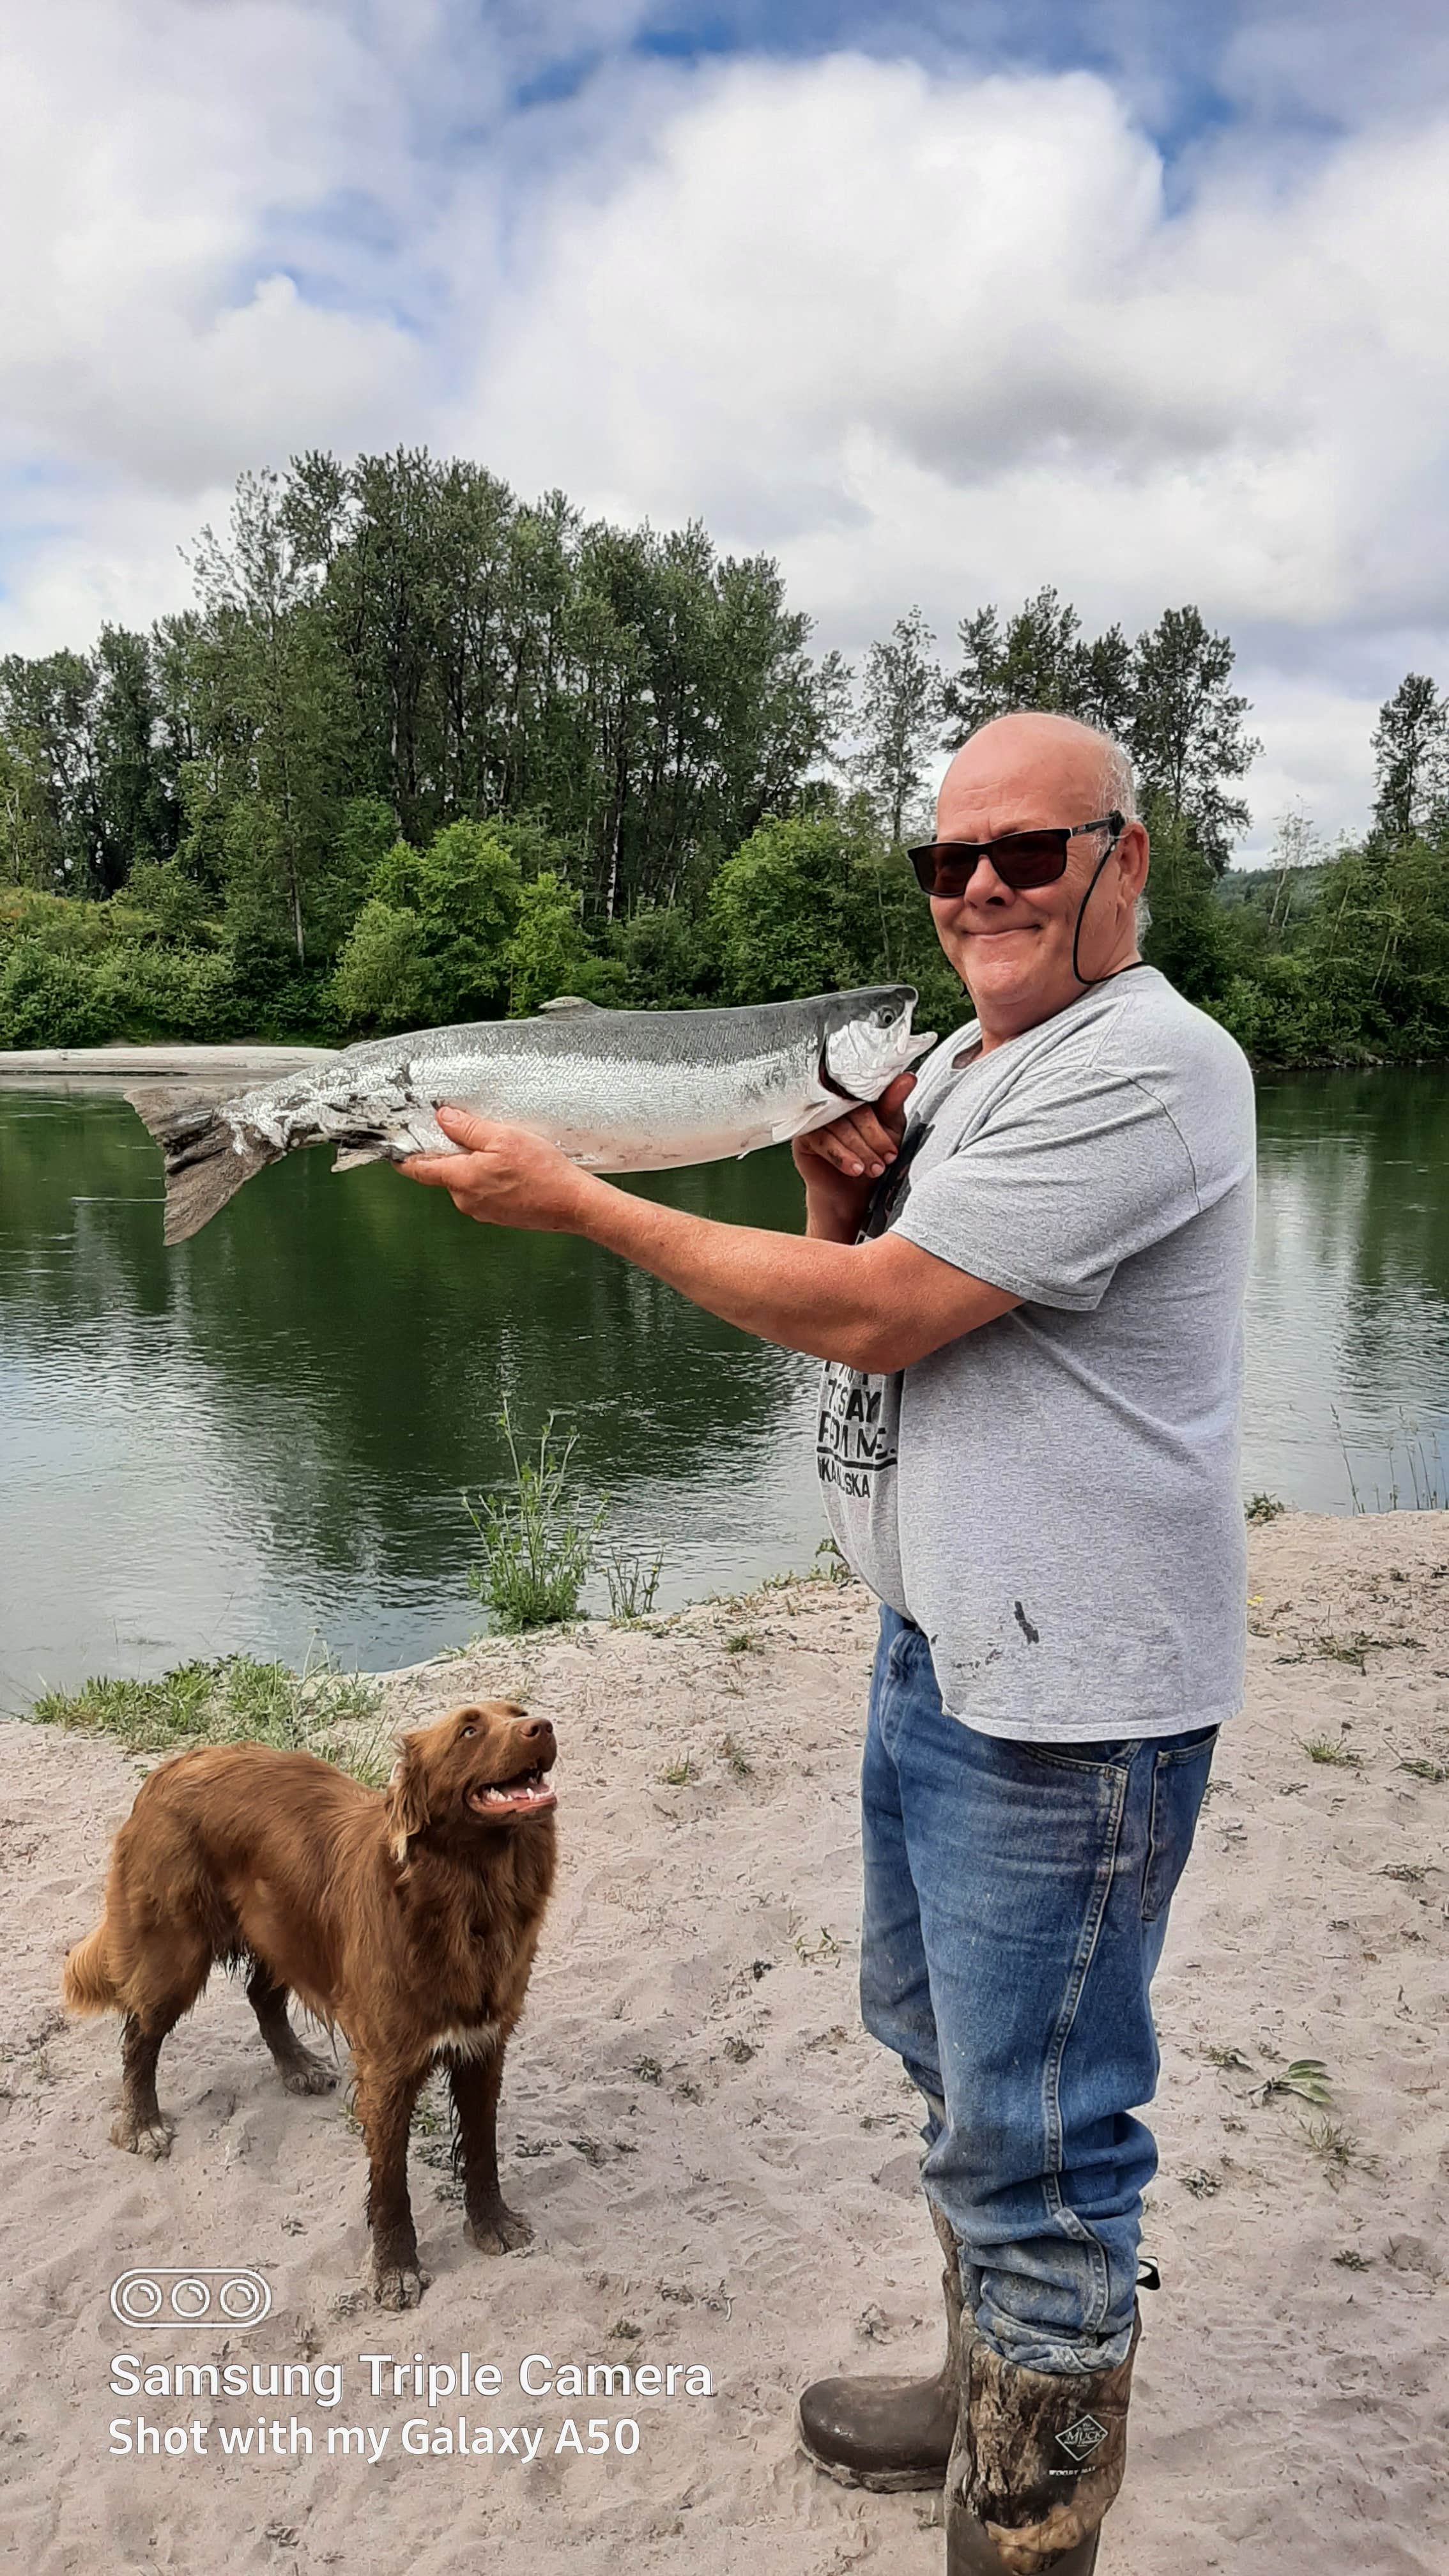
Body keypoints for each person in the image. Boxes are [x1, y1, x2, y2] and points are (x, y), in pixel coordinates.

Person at [398, 709, 1257, 2576]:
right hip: (944, 1646)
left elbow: (885, 1320)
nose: (975, 893)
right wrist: (825, 1190)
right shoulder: (966, 1059)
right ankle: (978, 2396)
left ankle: (1021, 2522)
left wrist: (581, 1203)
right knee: (943, 2056)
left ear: (1125, 858)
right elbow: (857, 1277)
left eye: (1023, 855)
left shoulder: (1153, 1067)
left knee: (1038, 2140)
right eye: (944, 861)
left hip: (1068, 1702)